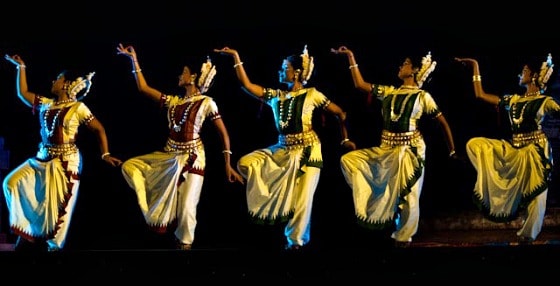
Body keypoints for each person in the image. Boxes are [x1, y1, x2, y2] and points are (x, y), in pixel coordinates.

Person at [214, 45, 355, 251]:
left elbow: (340, 113)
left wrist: (345, 139)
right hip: (282, 150)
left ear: (296, 72)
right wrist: (236, 56)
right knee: (246, 163)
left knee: (303, 199)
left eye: (285, 67)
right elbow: (246, 84)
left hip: (308, 150)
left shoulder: (312, 94)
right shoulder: (276, 96)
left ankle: (295, 243)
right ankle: (277, 199)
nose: (281, 71)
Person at [116, 44, 244, 250]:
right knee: (131, 167)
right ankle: (176, 239)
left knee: (186, 207)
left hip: (194, 157)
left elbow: (224, 134)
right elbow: (143, 88)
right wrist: (134, 60)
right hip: (170, 156)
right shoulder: (174, 102)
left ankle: (185, 245)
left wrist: (227, 165)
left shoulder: (207, 103)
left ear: (193, 77)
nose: (180, 75)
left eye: (183, 72)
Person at [331, 46, 457, 248]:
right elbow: (360, 84)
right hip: (386, 149)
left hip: (411, 150)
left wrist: (452, 150)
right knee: (349, 161)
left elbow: (442, 122)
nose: (401, 66)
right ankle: (376, 202)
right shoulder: (389, 92)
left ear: (415, 70)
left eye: (405, 63)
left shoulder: (423, 97)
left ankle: (404, 237)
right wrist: (351, 56)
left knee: (410, 195)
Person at [2, 54, 123, 252]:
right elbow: (23, 93)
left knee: (60, 209)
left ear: (66, 84)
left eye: (58, 78)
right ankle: (27, 229)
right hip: (42, 159)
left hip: (67, 162)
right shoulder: (47, 103)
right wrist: (21, 67)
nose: (53, 81)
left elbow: (99, 129)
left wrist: (105, 154)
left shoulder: (78, 108)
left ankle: (54, 250)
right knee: (11, 183)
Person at [455, 54, 559, 243]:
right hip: (516, 151)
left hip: (536, 152)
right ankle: (490, 178)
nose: (521, 73)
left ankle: (527, 237)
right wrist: (475, 66)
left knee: (537, 196)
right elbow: (480, 95)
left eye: (525, 71)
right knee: (475, 144)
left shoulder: (545, 101)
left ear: (535, 76)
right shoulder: (512, 100)